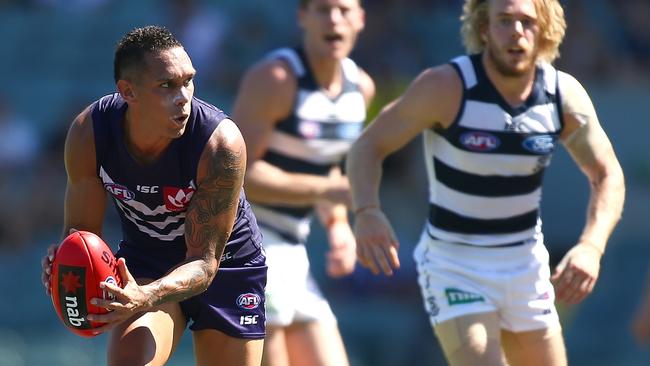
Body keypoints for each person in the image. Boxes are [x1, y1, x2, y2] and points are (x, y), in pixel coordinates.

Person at [346, 0, 625, 365]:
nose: (517, 32)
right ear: (483, 29)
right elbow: (368, 146)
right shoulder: (446, 86)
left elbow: (608, 174)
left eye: (527, 22)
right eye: (504, 21)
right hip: (456, 265)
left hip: (525, 265)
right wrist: (367, 211)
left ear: (545, 30)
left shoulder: (562, 95)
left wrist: (591, 246)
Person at [40, 25, 266, 366]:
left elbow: (205, 265)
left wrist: (145, 296)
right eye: (166, 85)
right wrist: (67, 265)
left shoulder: (219, 145)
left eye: (188, 81)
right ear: (127, 92)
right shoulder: (90, 134)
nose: (184, 97)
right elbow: (82, 235)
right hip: (145, 262)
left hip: (227, 266)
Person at [231, 0, 373, 365]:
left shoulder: (362, 89)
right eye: (323, 9)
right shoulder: (276, 79)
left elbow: (331, 170)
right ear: (302, 17)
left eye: (344, 10)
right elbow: (237, 177)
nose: (334, 20)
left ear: (360, 19)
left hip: (294, 249)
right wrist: (327, 191)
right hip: (250, 245)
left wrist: (338, 224)